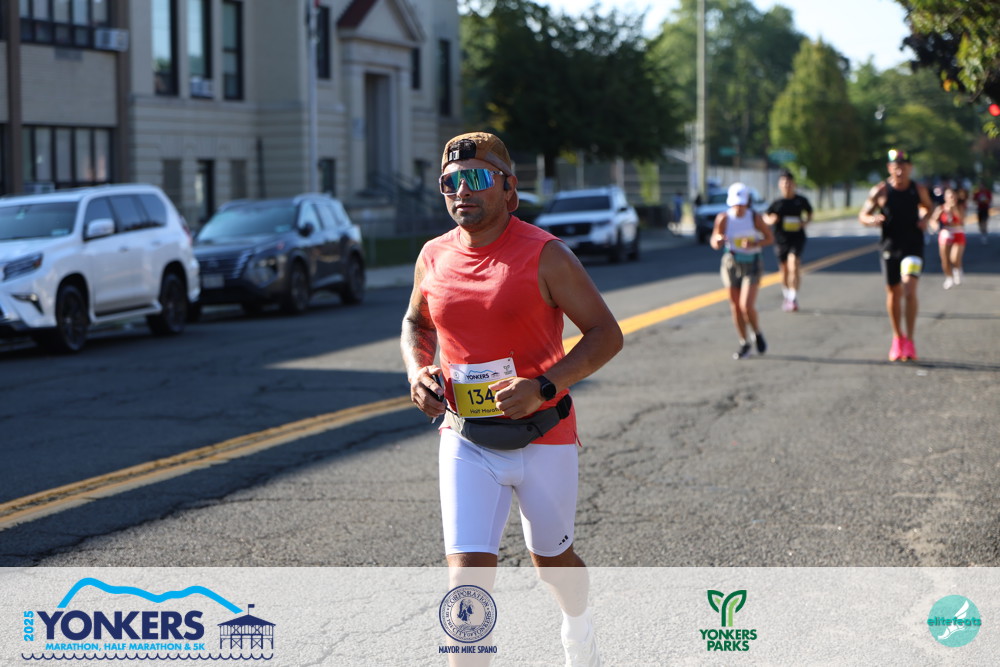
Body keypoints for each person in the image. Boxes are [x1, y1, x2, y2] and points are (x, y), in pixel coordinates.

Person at [401, 132, 623, 666]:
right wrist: (417, 371)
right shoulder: (433, 256)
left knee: (553, 564)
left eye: (476, 178)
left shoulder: (547, 256)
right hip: (466, 439)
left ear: (508, 188)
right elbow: (415, 323)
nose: (462, 191)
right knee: (467, 579)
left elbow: (605, 334)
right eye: (450, 182)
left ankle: (578, 627)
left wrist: (543, 387)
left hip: (543, 435)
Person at [858, 149, 934, 362]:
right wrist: (871, 220)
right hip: (890, 247)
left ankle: (910, 340)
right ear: (889, 168)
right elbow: (863, 215)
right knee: (893, 292)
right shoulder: (880, 191)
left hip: (912, 246)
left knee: (909, 289)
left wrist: (925, 217)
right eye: (895, 167)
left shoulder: (917, 189)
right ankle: (897, 338)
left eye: (904, 167)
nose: (900, 171)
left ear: (910, 168)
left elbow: (928, 207)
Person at [710, 182, 774, 359]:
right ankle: (744, 342)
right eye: (735, 204)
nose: (738, 207)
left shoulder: (754, 218)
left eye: (741, 203)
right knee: (735, 306)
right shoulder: (724, 218)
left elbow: (770, 238)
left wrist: (755, 243)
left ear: (747, 202)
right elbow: (714, 241)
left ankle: (757, 332)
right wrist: (718, 240)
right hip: (731, 263)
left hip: (752, 263)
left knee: (746, 306)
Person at [764, 170, 813, 312]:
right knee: (784, 270)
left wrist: (805, 222)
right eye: (784, 182)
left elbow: (809, 213)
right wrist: (771, 220)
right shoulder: (777, 203)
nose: (787, 185)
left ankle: (793, 297)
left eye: (789, 182)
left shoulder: (801, 200)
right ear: (780, 185)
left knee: (794, 264)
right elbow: (766, 216)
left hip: (797, 237)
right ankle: (787, 295)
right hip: (781, 239)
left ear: (794, 184)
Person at [931, 184, 967, 289]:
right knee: (945, 258)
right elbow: (933, 220)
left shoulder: (959, 207)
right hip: (946, 233)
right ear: (945, 197)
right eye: (950, 196)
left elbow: (962, 220)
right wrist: (935, 225)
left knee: (954, 258)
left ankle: (957, 269)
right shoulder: (940, 208)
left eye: (954, 196)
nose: (952, 198)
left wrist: (954, 209)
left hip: (958, 232)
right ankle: (949, 277)